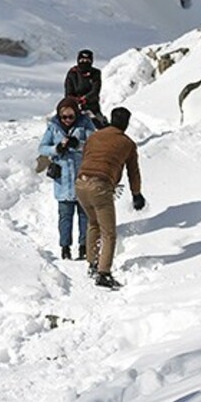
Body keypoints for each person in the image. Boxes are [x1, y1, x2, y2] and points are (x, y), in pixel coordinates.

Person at [74, 107, 145, 290]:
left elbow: (86, 157)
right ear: (126, 123)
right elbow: (133, 172)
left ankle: (92, 264)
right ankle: (104, 273)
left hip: (80, 184)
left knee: (93, 224)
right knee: (109, 232)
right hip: (101, 186)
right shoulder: (127, 143)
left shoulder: (94, 137)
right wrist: (136, 194)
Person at [39, 97, 96, 260]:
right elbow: (42, 147)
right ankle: (65, 247)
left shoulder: (85, 124)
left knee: (84, 215)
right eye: (64, 117)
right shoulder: (53, 126)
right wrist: (57, 148)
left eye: (71, 116)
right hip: (63, 180)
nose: (68, 120)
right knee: (65, 216)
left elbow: (94, 145)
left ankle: (84, 246)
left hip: (82, 176)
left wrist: (77, 144)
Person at [64, 49, 104, 126]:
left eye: (87, 60)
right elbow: (68, 92)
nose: (84, 62)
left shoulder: (95, 73)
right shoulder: (72, 73)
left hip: (92, 107)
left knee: (101, 126)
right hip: (74, 107)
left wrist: (85, 99)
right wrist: (76, 100)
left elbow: (95, 90)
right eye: (82, 60)